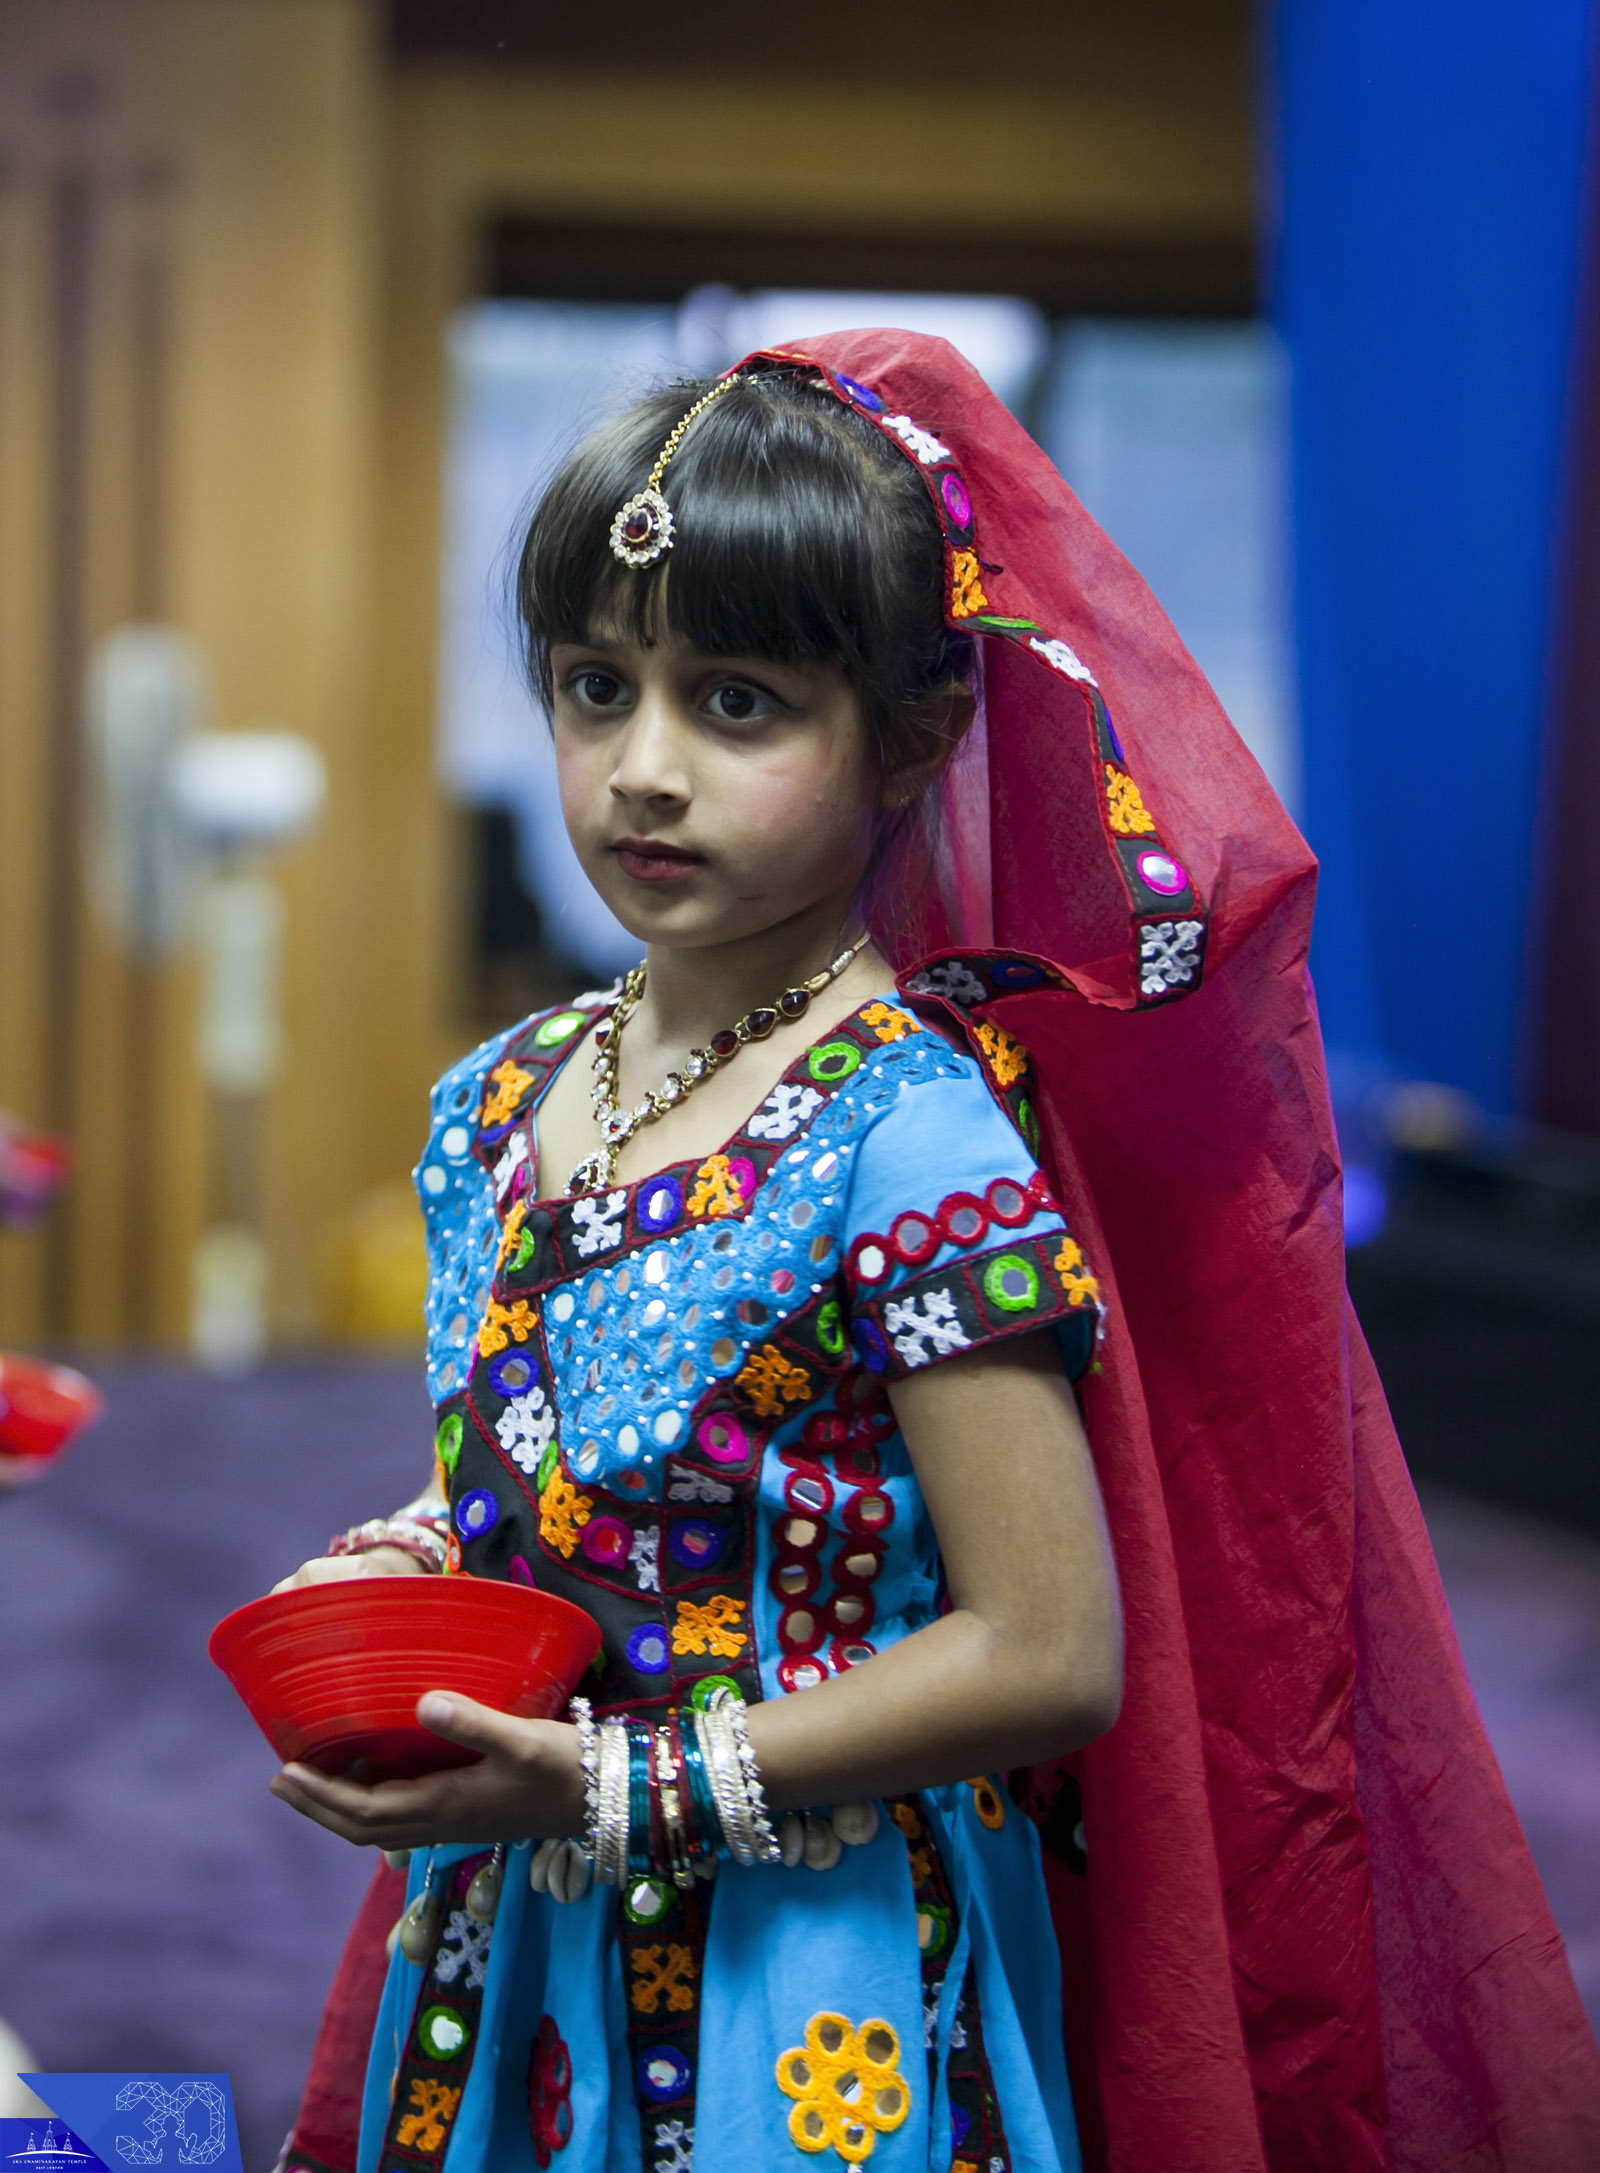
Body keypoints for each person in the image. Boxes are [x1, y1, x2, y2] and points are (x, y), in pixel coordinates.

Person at [271, 333, 1600, 2173]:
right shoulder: (496, 1099)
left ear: (910, 734)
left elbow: (1049, 1652)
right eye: (596, 687)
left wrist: (625, 1777)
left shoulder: (909, 1128)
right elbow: (546, 1449)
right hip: (521, 1927)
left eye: (737, 703)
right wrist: (420, 1552)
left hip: (810, 1974)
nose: (644, 769)